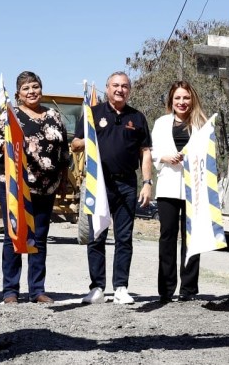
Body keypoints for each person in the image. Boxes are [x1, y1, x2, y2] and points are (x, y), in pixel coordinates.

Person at [71, 71, 153, 305]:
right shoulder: (92, 114)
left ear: (129, 90)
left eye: (124, 86)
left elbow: (145, 152)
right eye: (115, 85)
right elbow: (75, 144)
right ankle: (97, 287)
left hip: (127, 183)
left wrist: (147, 183)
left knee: (124, 238)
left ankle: (121, 287)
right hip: (98, 183)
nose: (120, 89)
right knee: (96, 235)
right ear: (107, 88)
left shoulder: (137, 118)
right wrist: (88, 139)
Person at [0, 71, 70, 304]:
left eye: (35, 87)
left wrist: (64, 179)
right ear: (18, 94)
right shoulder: (10, 115)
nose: (31, 91)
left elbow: (63, 151)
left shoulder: (54, 115)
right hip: (15, 187)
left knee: (40, 238)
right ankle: (10, 291)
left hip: (46, 188)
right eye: (26, 88)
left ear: (41, 89)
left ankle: (37, 290)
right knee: (13, 236)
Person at [151, 80, 208, 302]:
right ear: (171, 101)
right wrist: (163, 157)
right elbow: (151, 151)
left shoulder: (201, 124)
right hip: (168, 186)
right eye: (177, 98)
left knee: (192, 239)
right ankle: (166, 289)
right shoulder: (161, 123)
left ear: (192, 99)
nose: (182, 102)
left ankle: (189, 289)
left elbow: (208, 154)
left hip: (194, 187)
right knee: (167, 237)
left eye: (185, 98)